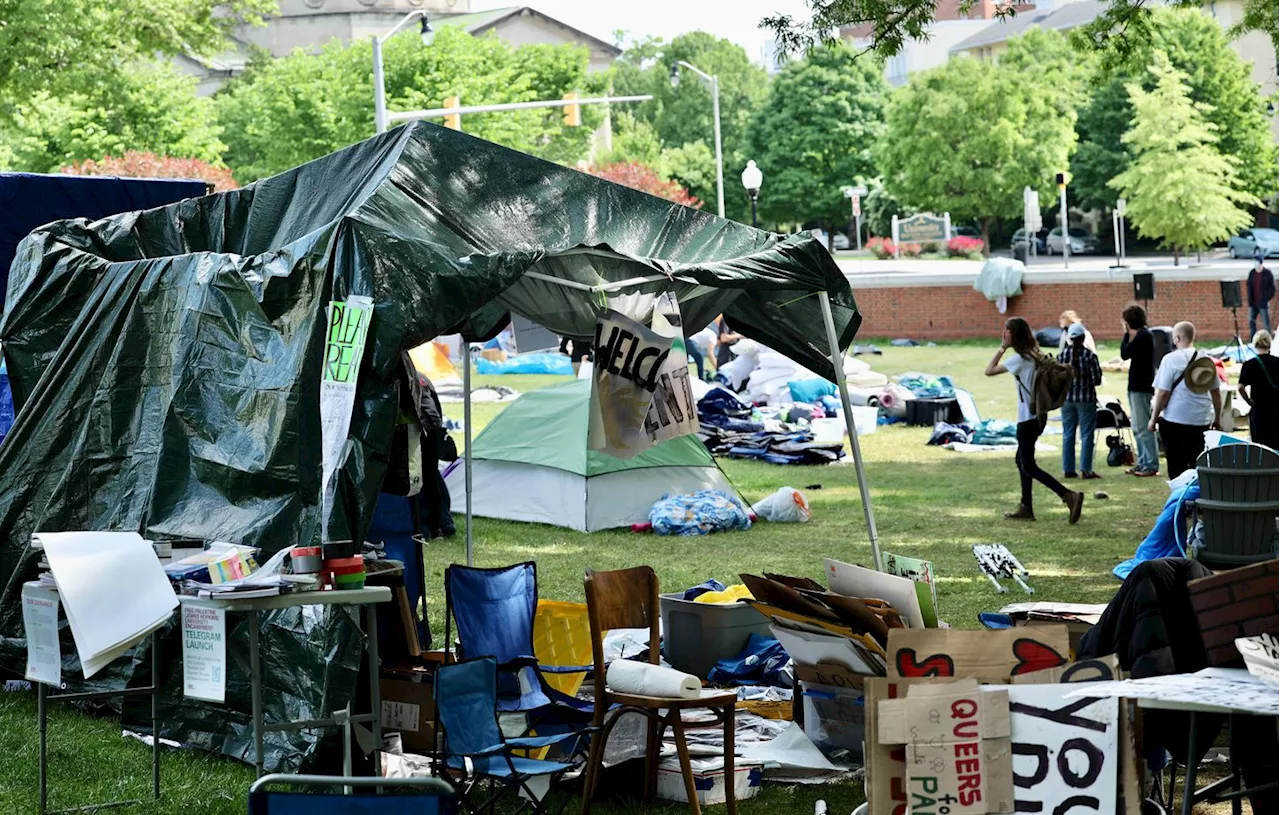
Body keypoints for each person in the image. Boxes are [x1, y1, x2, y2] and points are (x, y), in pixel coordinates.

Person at [985, 317, 1085, 523]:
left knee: (1028, 465)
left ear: (1012, 335)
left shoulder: (1019, 359)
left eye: (1007, 332)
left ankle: (1068, 495)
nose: (1004, 334)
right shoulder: (1035, 354)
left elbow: (989, 370)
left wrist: (1002, 348)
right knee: (1021, 460)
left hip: (1027, 418)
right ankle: (1026, 506)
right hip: (1039, 416)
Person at [1149, 321, 1223, 478]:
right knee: (1197, 466)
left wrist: (1153, 419)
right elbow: (1216, 393)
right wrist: (1217, 418)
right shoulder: (1206, 360)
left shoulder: (1170, 359)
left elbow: (1163, 393)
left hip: (1175, 420)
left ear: (1176, 338)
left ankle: (1180, 498)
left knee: (1177, 467)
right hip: (1201, 420)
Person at [1058, 322, 1103, 479]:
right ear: (1083, 338)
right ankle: (1086, 469)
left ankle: (1068, 469)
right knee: (1086, 434)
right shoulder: (1090, 356)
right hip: (1086, 399)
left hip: (1066, 400)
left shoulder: (1061, 356)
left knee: (1068, 434)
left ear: (1070, 338)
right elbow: (1097, 380)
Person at [1120, 305, 1159, 476]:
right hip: (1134, 386)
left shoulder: (1144, 336)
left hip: (1142, 387)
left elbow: (1126, 353)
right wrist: (1127, 334)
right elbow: (1125, 353)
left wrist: (1127, 334)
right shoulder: (1139, 335)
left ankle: (1150, 464)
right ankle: (1142, 461)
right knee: (1137, 427)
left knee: (1144, 427)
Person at [1238, 329, 1280, 449]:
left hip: (1259, 410)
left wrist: (1249, 401)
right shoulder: (1278, 363)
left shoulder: (1249, 364)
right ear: (1269, 344)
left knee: (1260, 447)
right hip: (1277, 409)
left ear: (1255, 344)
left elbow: (1240, 387)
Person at [1247, 251, 1275, 336]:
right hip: (1253, 303)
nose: (1255, 263)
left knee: (1266, 325)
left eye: (1256, 261)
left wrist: (1265, 299)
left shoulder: (1267, 273)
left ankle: (1268, 341)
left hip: (1263, 303)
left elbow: (1272, 288)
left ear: (1260, 262)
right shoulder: (1252, 273)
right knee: (1251, 321)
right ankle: (1253, 341)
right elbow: (1248, 286)